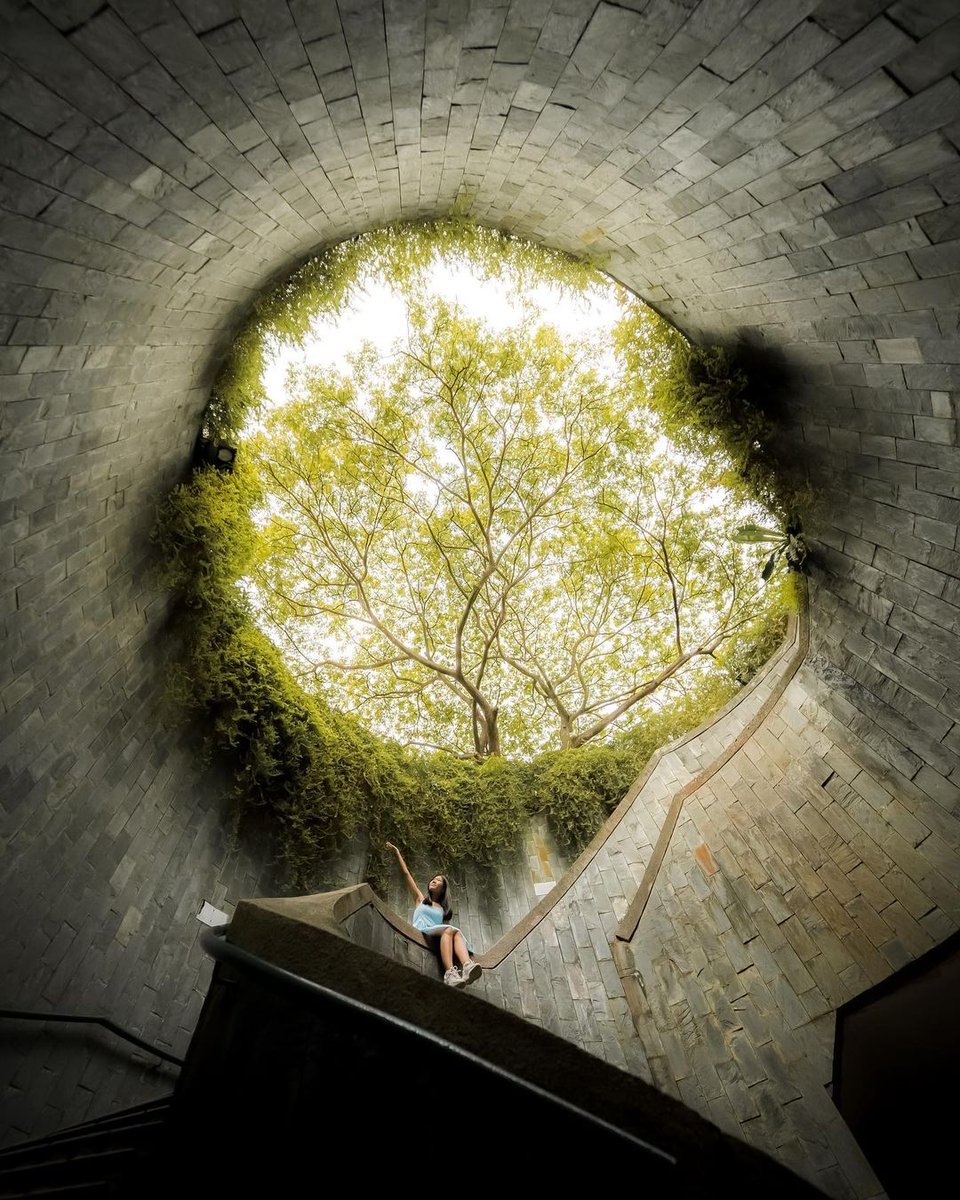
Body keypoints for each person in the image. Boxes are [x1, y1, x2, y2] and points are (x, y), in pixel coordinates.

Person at [385, 842, 482, 988]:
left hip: (436, 935)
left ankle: (467, 967)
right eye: (433, 879)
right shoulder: (420, 899)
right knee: (450, 930)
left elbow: (448, 934)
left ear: (443, 889)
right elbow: (406, 874)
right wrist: (397, 852)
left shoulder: (443, 910)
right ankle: (449, 974)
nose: (433, 881)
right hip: (422, 930)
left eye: (438, 880)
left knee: (456, 933)